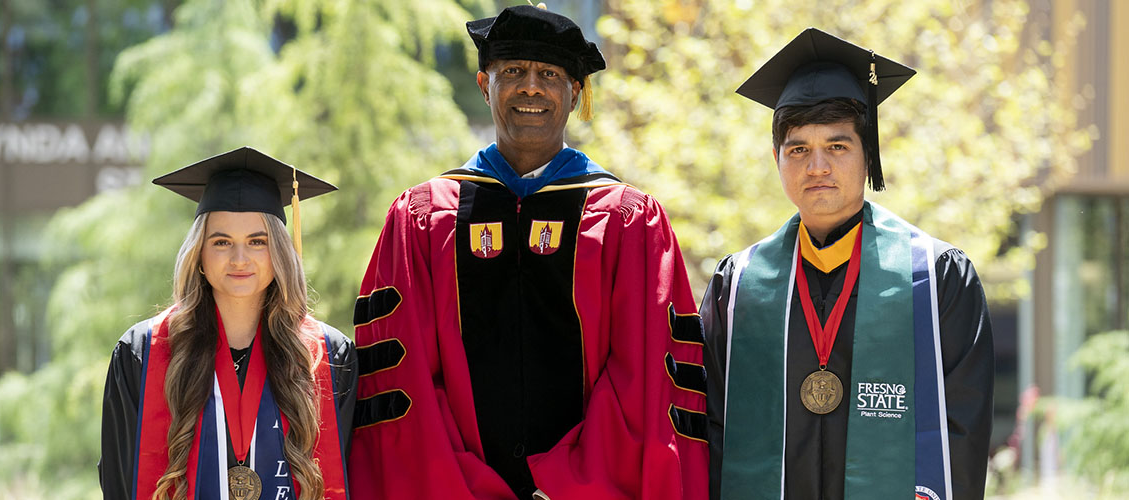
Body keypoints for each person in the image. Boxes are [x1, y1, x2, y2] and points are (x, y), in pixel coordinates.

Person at [348, 4, 708, 499]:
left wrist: (568, 485)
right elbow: (400, 379)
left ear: (575, 92)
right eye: (513, 71)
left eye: (550, 74)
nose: (531, 87)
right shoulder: (423, 218)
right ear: (483, 84)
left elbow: (643, 375)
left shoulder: (628, 220)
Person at [701, 28, 994, 500]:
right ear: (775, 157)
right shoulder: (738, 286)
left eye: (837, 147)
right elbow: (710, 426)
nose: (816, 166)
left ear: (868, 154)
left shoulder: (935, 277)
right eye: (798, 149)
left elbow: (962, 427)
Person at [98, 147, 357, 500]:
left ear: (280, 252)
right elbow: (119, 479)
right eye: (221, 242)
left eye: (257, 241)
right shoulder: (143, 352)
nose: (239, 258)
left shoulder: (328, 354)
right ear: (199, 254)